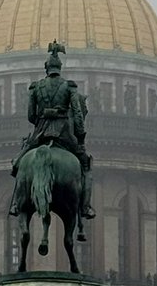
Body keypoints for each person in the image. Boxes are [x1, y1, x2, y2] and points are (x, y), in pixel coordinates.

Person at [9, 43, 95, 219]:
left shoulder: (36, 87)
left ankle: (17, 204)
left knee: (18, 165)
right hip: (64, 133)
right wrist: (80, 136)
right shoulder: (69, 87)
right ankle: (85, 207)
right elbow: (77, 113)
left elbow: (31, 116)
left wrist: (42, 119)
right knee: (85, 167)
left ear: (46, 68)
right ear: (60, 68)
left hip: (40, 132)